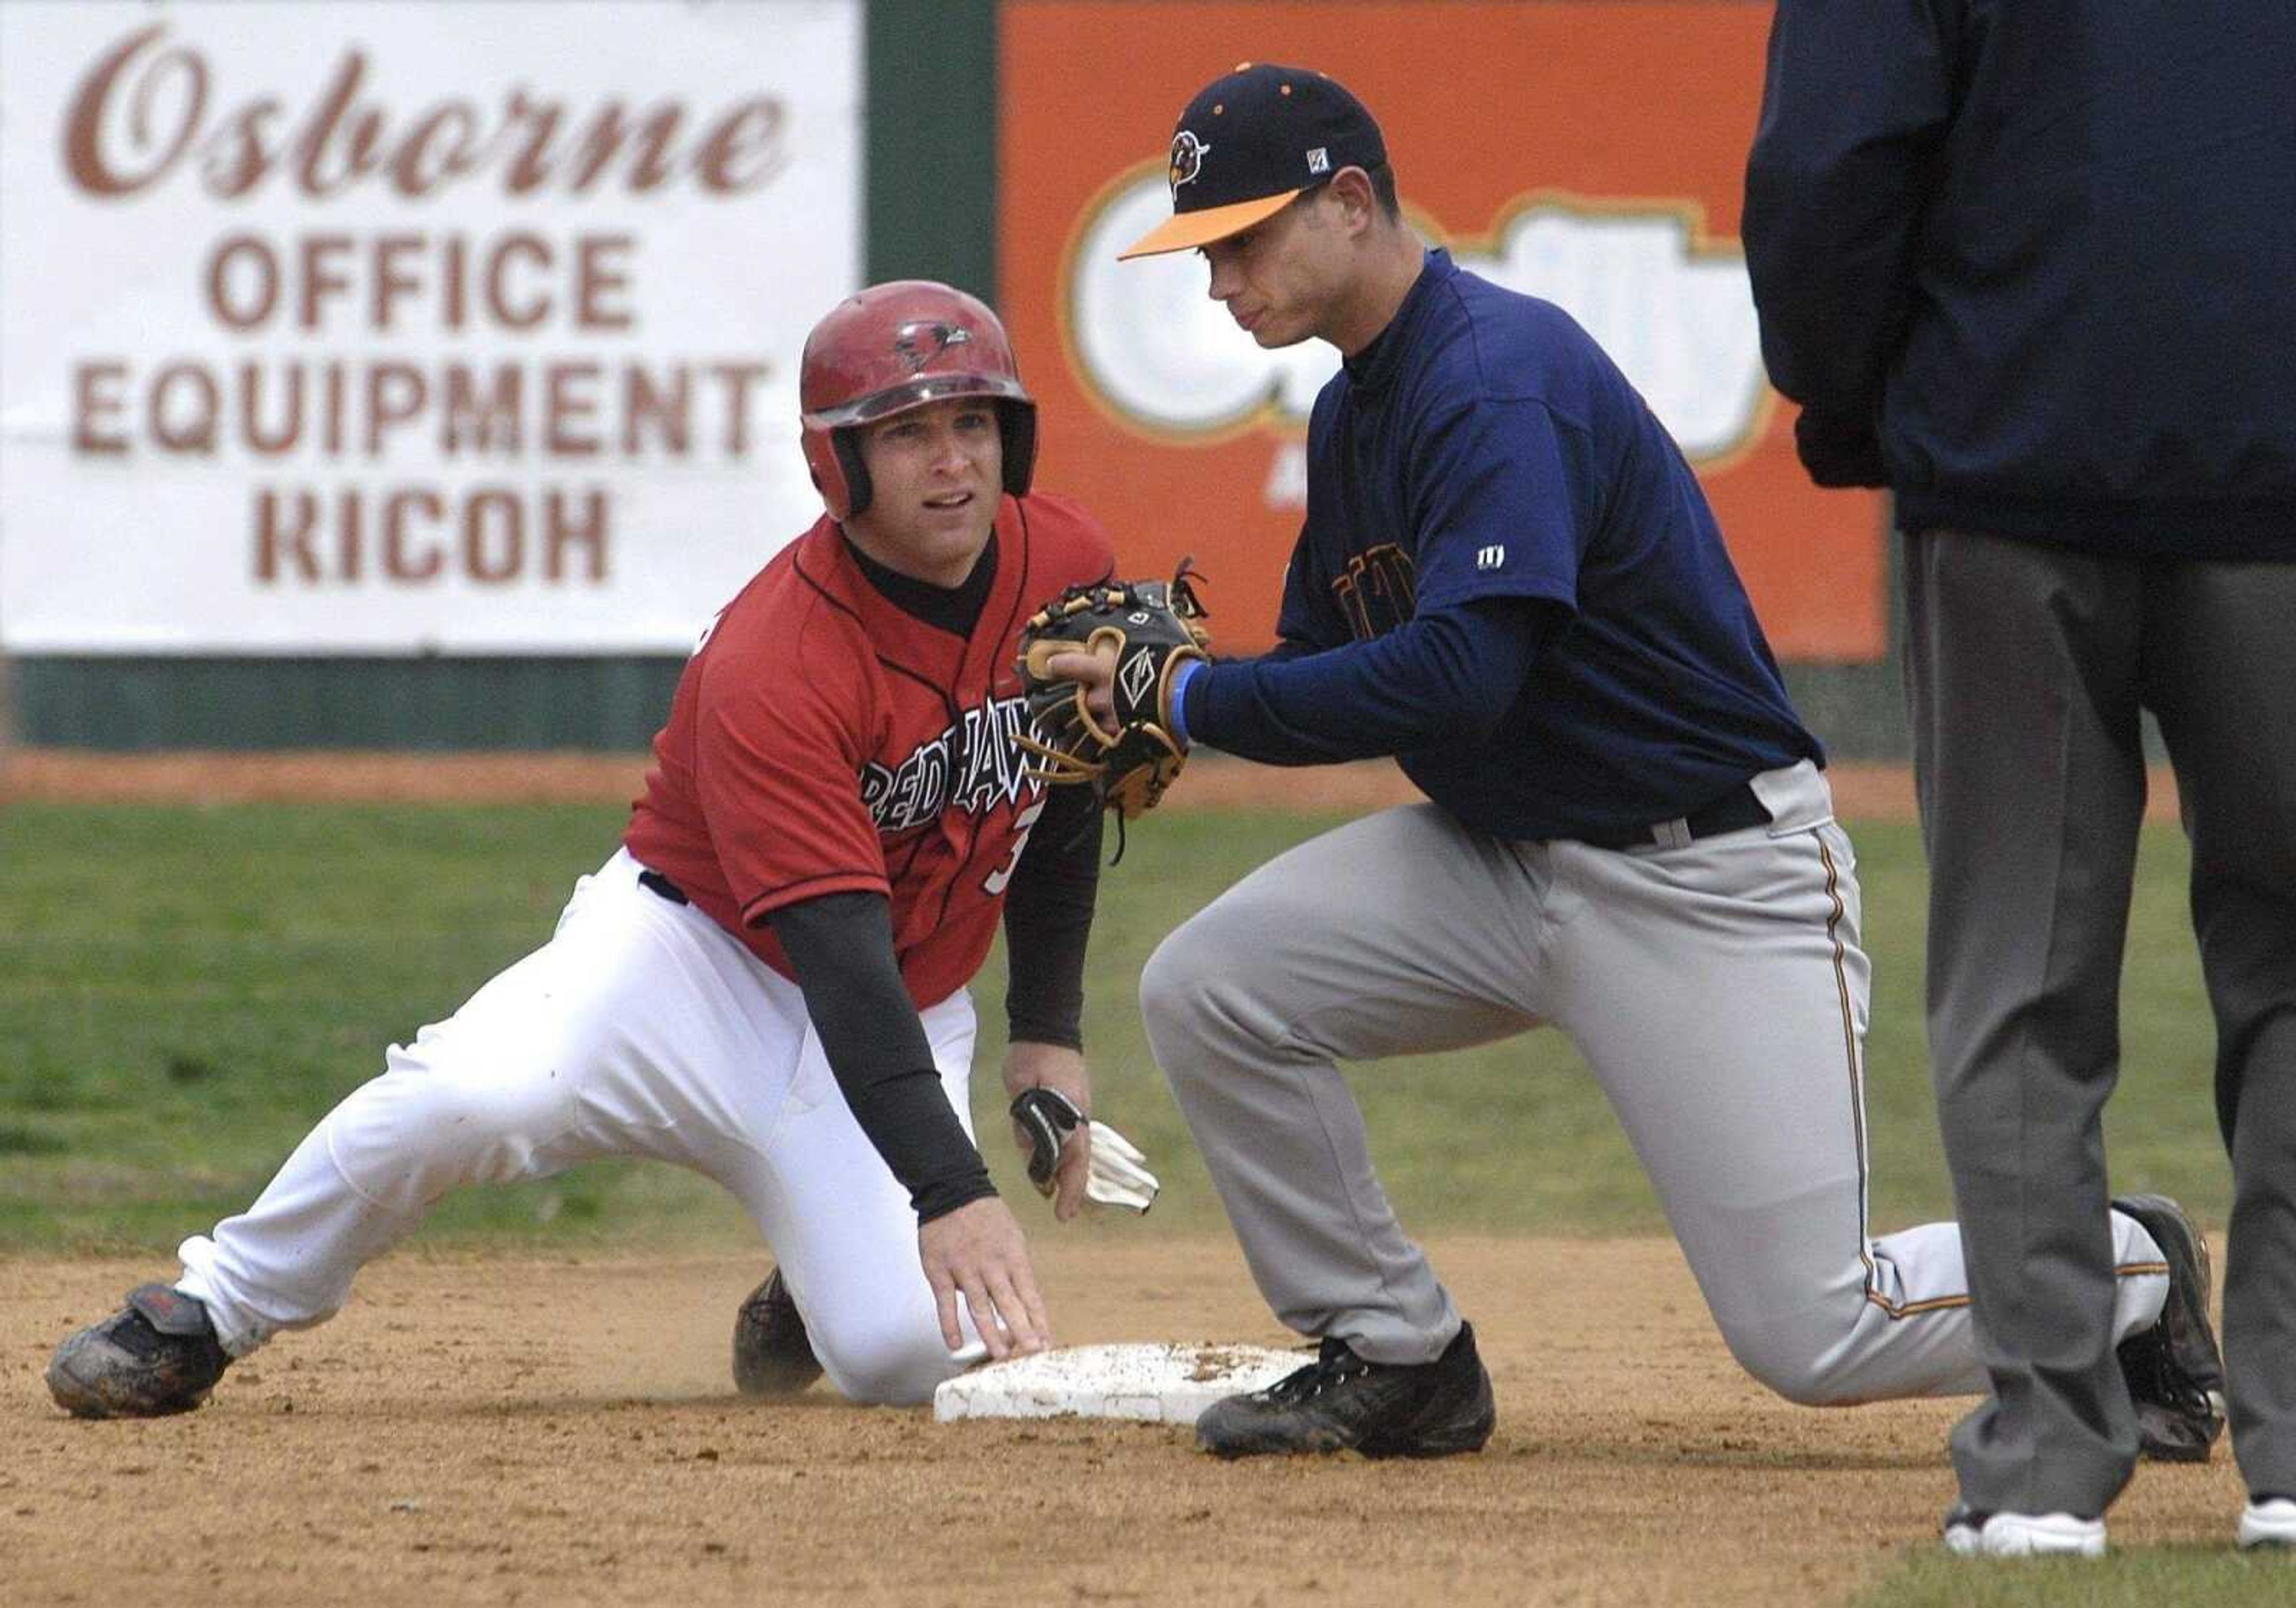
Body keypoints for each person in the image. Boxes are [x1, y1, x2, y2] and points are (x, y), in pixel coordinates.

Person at [1075, 62, 2226, 1468]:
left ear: (1353, 202)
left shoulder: (1496, 378)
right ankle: (1397, 1349)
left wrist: (1192, 702)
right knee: (1213, 985)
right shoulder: (1354, 411)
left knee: (1817, 1332)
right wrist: (1177, 695)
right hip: (1500, 862)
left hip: (1708, 876)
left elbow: (1461, 672)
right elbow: (1330, 658)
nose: (1219, 281)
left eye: (1240, 239)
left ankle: (2131, 1265)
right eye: (1207, 250)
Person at [47, 280, 1122, 1418]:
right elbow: (840, 949)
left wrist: (1045, 1033)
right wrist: (948, 1184)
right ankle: (211, 1307)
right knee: (473, 1096)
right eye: (905, 432)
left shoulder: (1071, 564)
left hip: (897, 1006)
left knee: (913, 1360)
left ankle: (818, 1278)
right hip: (686, 968)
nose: (950, 461)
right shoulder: (776, 659)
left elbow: (1068, 791)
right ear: (836, 465)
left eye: (971, 422)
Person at [1744, 3, 2296, 1557]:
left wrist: (1858, 400)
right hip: (2278, 472)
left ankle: (2051, 1462)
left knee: (2021, 977)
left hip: (2008, 467)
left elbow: (1827, 161)